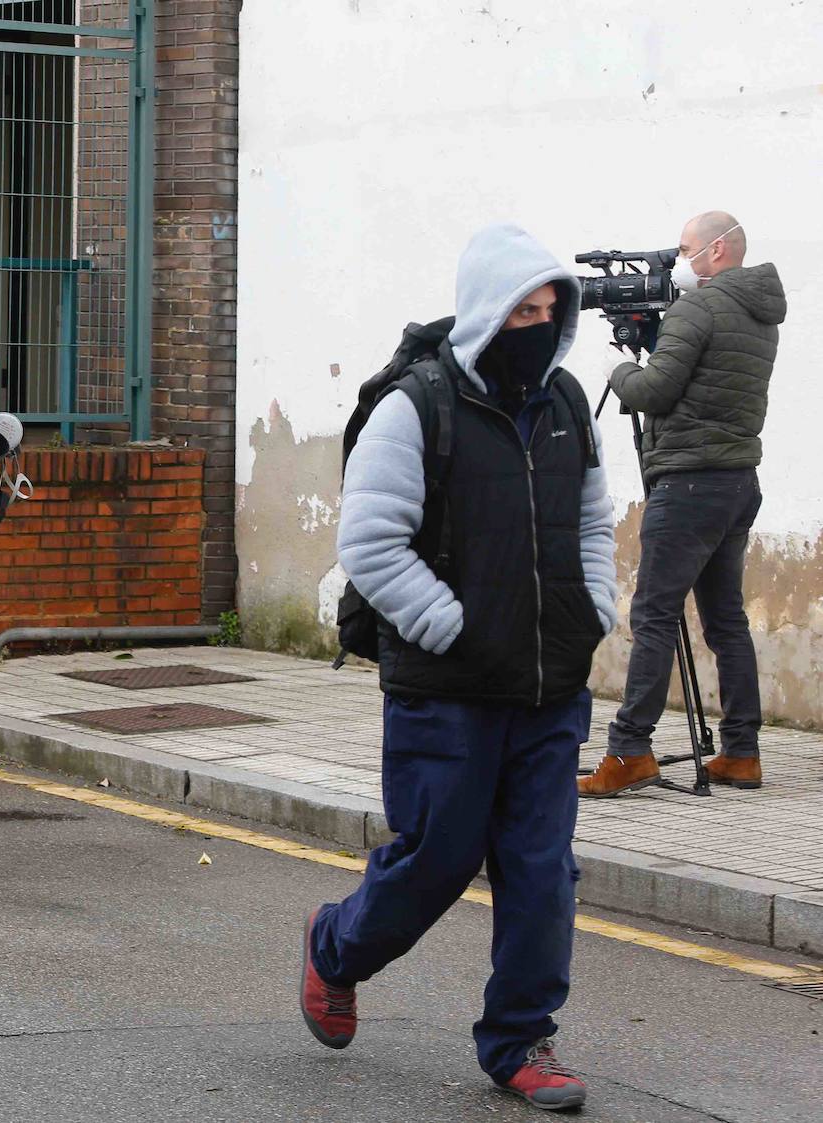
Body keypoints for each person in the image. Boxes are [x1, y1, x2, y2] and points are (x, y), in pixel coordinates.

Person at [300, 225, 617, 1112]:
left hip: (552, 691)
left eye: (552, 309)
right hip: (447, 691)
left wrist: (596, 609)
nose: (541, 324)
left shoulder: (565, 406)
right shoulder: (419, 405)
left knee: (542, 868)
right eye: (524, 308)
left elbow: (594, 524)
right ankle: (335, 947)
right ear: (487, 312)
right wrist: (448, 625)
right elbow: (369, 540)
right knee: (437, 859)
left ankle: (521, 1040)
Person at [579, 213, 786, 797]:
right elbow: (697, 380)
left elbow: (656, 390)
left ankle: (629, 751)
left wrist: (617, 367)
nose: (679, 264)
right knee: (725, 620)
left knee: (653, 615)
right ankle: (741, 752)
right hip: (738, 481)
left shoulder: (697, 309)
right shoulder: (758, 311)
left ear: (718, 250)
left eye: (687, 251)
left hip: (689, 483)